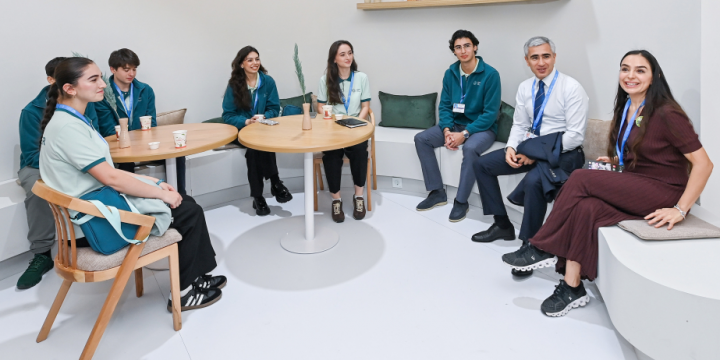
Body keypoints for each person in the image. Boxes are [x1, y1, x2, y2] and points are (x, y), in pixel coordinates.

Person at [501, 50, 713, 317]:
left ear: (655, 76)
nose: (630, 76)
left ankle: (541, 246)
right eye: (625, 69)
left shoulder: (668, 112)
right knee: (586, 208)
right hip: (638, 181)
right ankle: (572, 287)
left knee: (579, 177)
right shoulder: (627, 106)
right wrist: (616, 159)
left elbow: (704, 164)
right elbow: (648, 151)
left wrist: (680, 209)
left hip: (664, 191)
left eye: (640, 70)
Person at [39, 57, 226, 311]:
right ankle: (182, 293)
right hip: (93, 224)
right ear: (70, 88)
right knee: (188, 211)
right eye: (93, 79)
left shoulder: (71, 120)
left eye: (100, 78)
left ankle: (195, 276)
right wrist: (160, 195)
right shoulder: (67, 128)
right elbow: (112, 178)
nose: (102, 85)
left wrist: (155, 181)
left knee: (184, 200)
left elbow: (105, 172)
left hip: (95, 206)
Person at [471, 36, 589, 277]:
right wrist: (513, 148)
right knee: (482, 164)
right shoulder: (526, 88)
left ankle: (530, 245)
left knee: (535, 181)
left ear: (554, 57)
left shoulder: (571, 88)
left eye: (546, 56)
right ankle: (503, 225)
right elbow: (520, 124)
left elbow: (575, 137)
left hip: (563, 152)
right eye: (535, 57)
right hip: (531, 148)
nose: (541, 62)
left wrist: (536, 154)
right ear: (527, 61)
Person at [15, 56, 102, 290]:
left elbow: (93, 135)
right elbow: (32, 154)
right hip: (36, 165)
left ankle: (91, 238)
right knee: (38, 191)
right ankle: (41, 253)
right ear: (52, 80)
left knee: (98, 178)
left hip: (74, 160)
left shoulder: (85, 102)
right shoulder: (31, 111)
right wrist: (64, 164)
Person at [414, 30, 501, 222]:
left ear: (475, 47)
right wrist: (446, 130)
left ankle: (461, 201)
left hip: (481, 128)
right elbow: (444, 105)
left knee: (470, 148)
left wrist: (465, 133)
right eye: (458, 47)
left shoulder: (491, 74)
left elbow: (490, 114)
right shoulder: (451, 73)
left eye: (467, 46)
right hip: (454, 124)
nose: (463, 51)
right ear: (454, 51)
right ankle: (437, 192)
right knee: (422, 139)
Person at [95, 48, 187, 194]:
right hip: (119, 147)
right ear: (113, 69)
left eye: (134, 69)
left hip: (145, 143)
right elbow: (107, 129)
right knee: (126, 160)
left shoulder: (145, 90)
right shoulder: (103, 94)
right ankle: (134, 202)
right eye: (126, 69)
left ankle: (181, 195)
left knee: (177, 154)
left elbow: (153, 124)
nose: (131, 74)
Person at [222, 46, 293, 216]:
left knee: (257, 148)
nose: (255, 63)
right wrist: (246, 121)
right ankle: (275, 183)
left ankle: (258, 197)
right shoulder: (234, 85)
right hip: (242, 130)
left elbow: (275, 108)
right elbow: (228, 115)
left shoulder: (268, 82)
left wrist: (263, 117)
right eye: (250, 60)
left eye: (257, 59)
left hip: (263, 129)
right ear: (241, 64)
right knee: (255, 148)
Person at [316, 40, 372, 223]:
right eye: (342, 54)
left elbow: (366, 106)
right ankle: (336, 200)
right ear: (334, 59)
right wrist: (330, 118)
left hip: (356, 126)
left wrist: (357, 122)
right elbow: (320, 106)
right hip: (334, 129)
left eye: (350, 53)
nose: (348, 57)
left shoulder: (361, 77)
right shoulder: (325, 80)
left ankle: (358, 197)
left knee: (359, 152)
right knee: (331, 156)